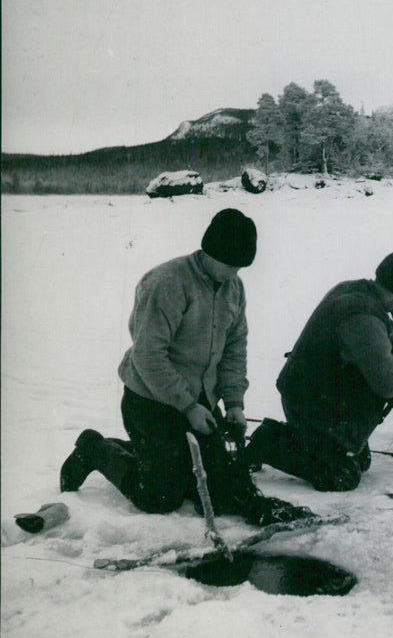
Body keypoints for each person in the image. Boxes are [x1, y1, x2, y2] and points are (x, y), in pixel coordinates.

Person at [60, 208, 310, 526]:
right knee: (161, 497)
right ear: (209, 250)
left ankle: (153, 454)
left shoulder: (233, 288)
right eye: (229, 264)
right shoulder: (166, 283)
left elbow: (235, 348)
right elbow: (148, 357)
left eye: (240, 267)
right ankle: (96, 449)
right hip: (150, 399)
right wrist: (188, 406)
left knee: (222, 488)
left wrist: (234, 402)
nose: (233, 274)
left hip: (199, 400)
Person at [245, 252, 393, 491]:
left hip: (316, 394)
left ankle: (302, 441)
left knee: (360, 461)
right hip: (311, 406)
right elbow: (389, 383)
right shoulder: (361, 316)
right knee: (341, 475)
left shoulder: (354, 290)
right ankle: (268, 442)